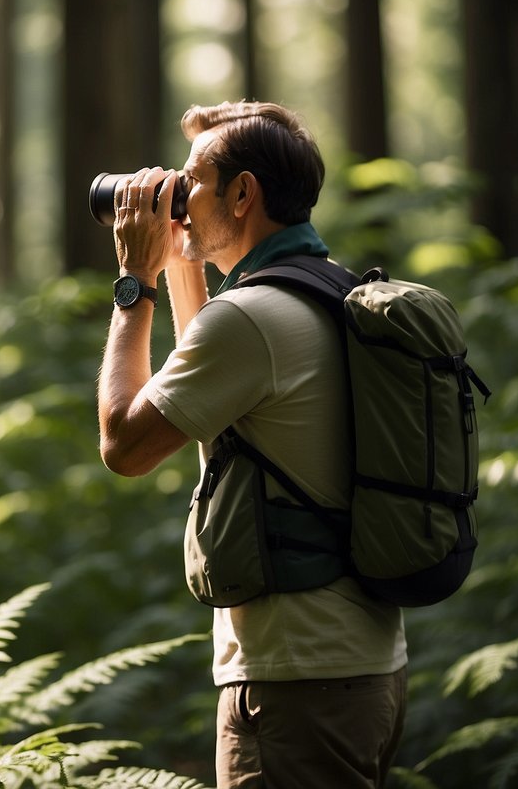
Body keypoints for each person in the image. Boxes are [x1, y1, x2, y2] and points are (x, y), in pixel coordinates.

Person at [96, 101, 408, 788]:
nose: (175, 197)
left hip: (295, 681)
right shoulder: (323, 289)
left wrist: (133, 283)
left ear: (243, 194)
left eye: (190, 182)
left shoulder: (250, 319)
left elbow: (124, 444)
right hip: (358, 663)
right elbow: (203, 377)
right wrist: (180, 257)